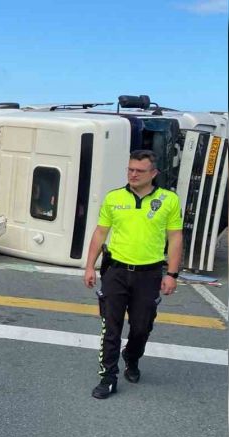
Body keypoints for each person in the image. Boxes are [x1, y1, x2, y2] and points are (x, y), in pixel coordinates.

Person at [83, 149, 183, 399]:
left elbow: (175, 237)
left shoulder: (168, 200)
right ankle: (108, 377)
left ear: (154, 173)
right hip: (115, 271)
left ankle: (132, 356)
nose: (133, 174)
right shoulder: (114, 198)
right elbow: (100, 232)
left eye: (140, 170)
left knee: (141, 327)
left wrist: (172, 274)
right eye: (130, 169)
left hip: (148, 275)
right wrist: (89, 266)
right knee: (111, 327)